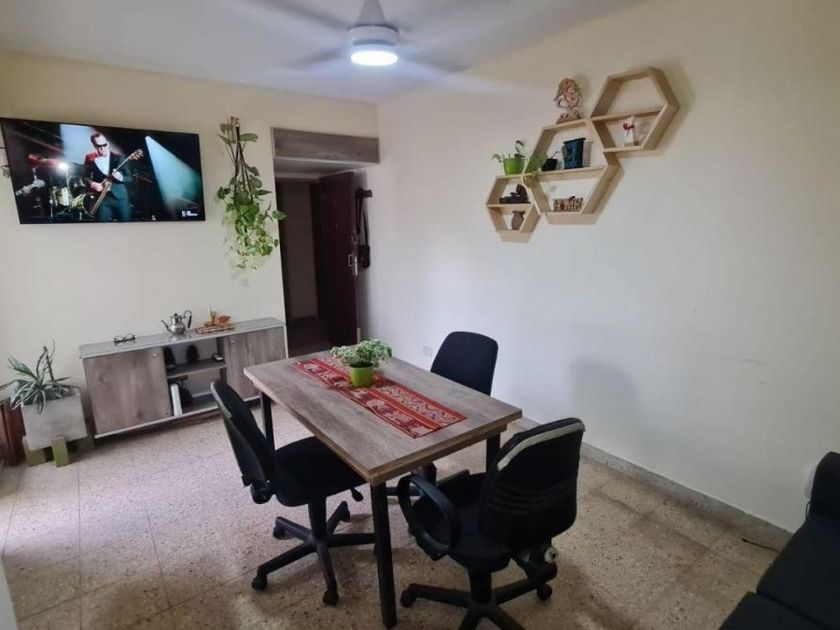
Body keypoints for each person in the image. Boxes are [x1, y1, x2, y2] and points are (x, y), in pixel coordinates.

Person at [82, 133, 132, 221]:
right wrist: (92, 184)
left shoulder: (119, 157)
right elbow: (84, 177)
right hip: (102, 200)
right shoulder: (89, 158)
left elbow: (130, 178)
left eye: (104, 145)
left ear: (108, 144)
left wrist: (121, 177)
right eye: (99, 146)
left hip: (120, 199)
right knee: (101, 227)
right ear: (94, 146)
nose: (102, 148)